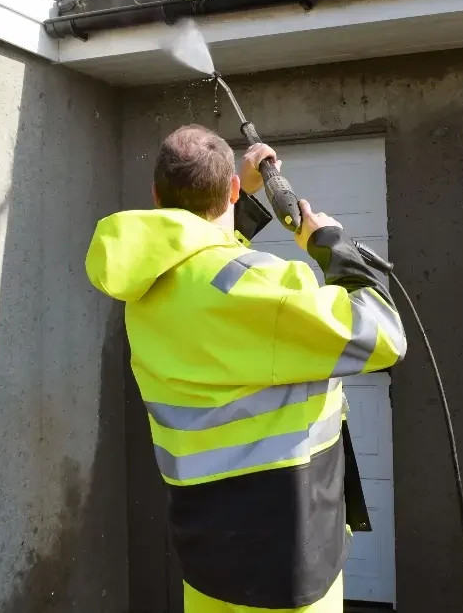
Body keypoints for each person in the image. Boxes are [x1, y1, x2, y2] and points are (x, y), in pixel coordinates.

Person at [86, 125, 406, 613]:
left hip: (207, 554)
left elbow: (204, 259)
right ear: (230, 189)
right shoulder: (266, 286)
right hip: (287, 561)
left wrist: (250, 200)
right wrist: (328, 242)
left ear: (156, 195)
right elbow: (383, 335)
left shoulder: (146, 289)